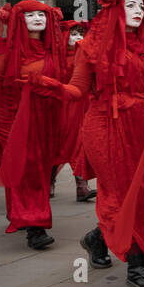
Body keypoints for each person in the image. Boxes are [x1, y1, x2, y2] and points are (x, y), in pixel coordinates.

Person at [46, 0, 144, 287]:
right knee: (121, 195)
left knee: (141, 194)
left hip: (142, 126)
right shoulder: (91, 46)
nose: (139, 12)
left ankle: (96, 238)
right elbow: (77, 89)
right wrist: (51, 87)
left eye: (143, 7)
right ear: (115, 9)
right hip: (106, 126)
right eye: (131, 6)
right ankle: (137, 264)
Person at [0, 0, 67, 250]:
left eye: (41, 14)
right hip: (12, 118)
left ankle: (23, 214)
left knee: (39, 171)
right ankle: (35, 224)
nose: (37, 19)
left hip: (46, 119)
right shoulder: (7, 52)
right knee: (25, 169)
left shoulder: (54, 50)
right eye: (30, 15)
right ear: (19, 20)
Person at [52, 20, 95, 203]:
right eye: (74, 35)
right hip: (62, 107)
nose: (78, 38)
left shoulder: (85, 57)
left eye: (81, 35)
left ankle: (81, 186)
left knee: (81, 145)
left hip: (82, 106)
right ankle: (49, 180)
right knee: (58, 146)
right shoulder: (56, 58)